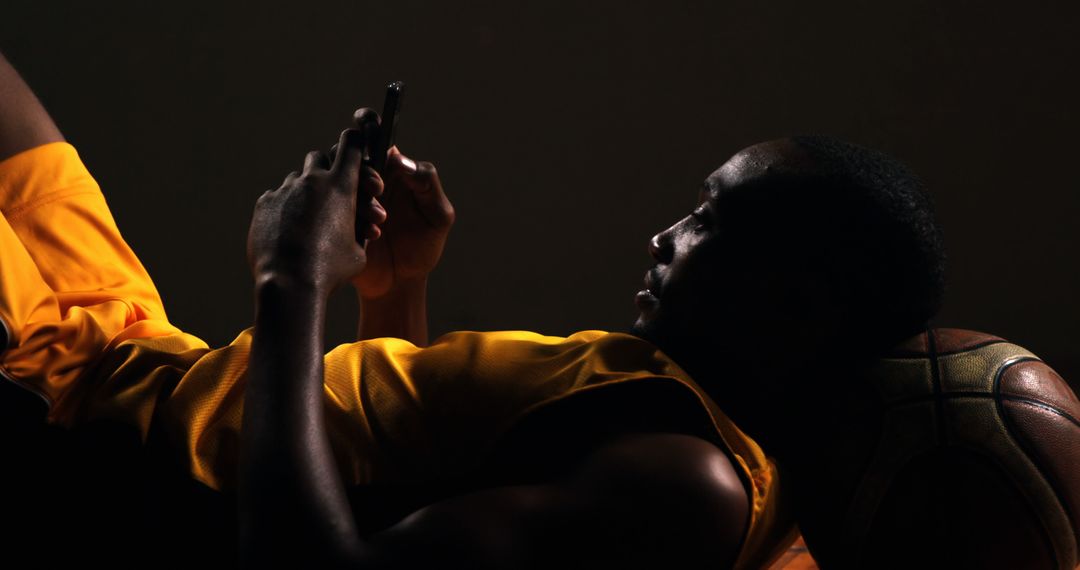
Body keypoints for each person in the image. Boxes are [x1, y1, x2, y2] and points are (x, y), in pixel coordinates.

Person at [0, 48, 946, 568]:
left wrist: (291, 275)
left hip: (77, 415)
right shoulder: (669, 402)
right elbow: (395, 471)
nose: (665, 236)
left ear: (796, 303)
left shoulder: (690, 479)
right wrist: (394, 287)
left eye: (708, 220)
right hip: (141, 352)